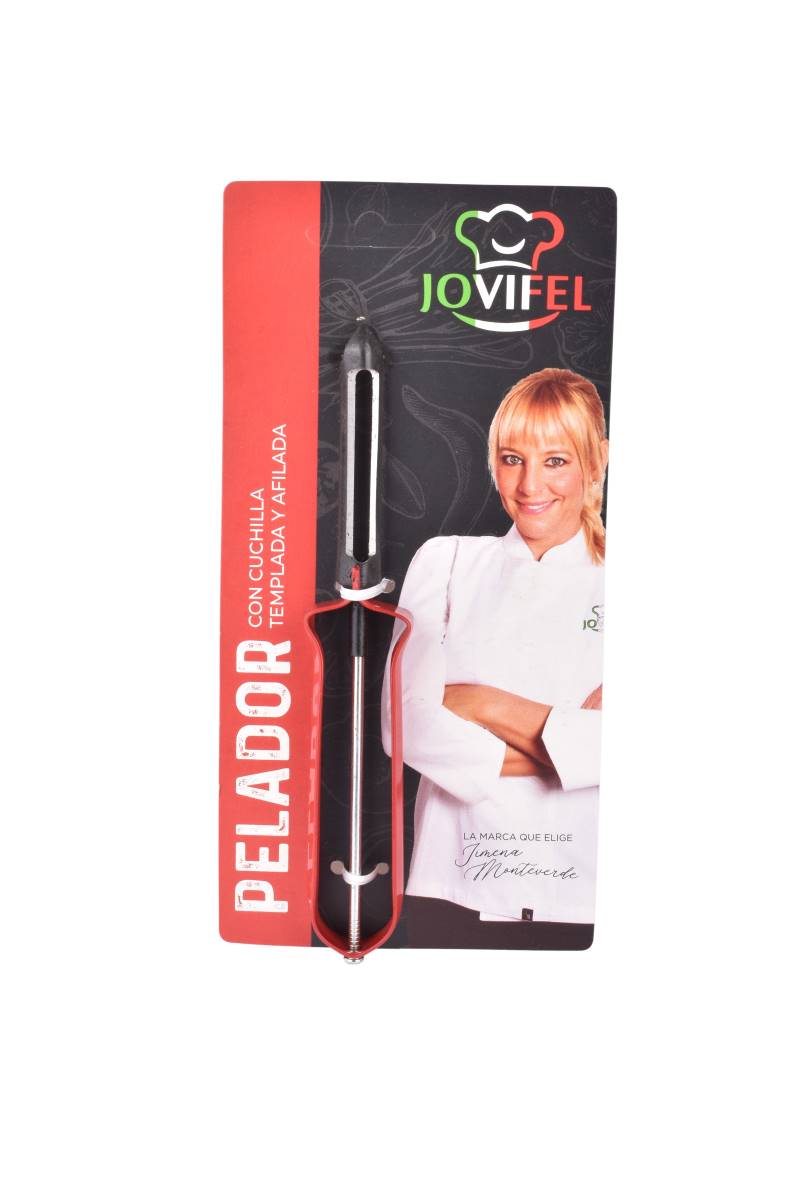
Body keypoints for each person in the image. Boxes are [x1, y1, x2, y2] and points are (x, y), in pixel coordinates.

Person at [382, 368, 608, 950]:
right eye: (512, 459)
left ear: (597, 461)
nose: (530, 485)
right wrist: (574, 748)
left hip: (585, 889)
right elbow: (401, 726)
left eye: (555, 461)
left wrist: (480, 702)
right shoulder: (447, 562)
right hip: (453, 882)